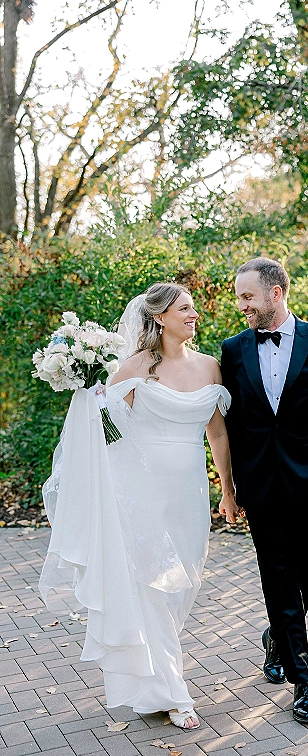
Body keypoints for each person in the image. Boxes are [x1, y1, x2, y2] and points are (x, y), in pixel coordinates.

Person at [40, 282, 238, 730]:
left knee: (181, 585)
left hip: (189, 493)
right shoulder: (134, 368)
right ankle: (174, 694)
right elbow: (109, 435)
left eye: (193, 308)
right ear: (160, 317)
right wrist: (92, 399)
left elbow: (219, 434)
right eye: (184, 309)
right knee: (153, 586)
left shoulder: (210, 368)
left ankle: (152, 682)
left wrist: (227, 489)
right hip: (143, 493)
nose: (194, 315)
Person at [221, 257, 308, 724]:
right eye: (239, 296)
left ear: (276, 292)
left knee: (304, 578)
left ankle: (276, 640)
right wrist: (233, 482)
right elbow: (231, 423)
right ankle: (304, 683)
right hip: (261, 485)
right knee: (277, 576)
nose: (241, 305)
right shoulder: (233, 349)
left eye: (247, 297)